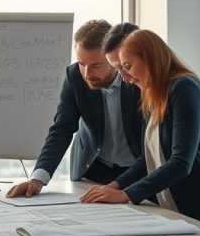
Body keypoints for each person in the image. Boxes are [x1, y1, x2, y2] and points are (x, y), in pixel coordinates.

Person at [80, 29, 200, 228]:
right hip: (174, 205)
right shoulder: (155, 94)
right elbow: (149, 157)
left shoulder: (184, 88)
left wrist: (126, 194)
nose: (125, 77)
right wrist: (114, 186)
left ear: (151, 57)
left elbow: (181, 162)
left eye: (127, 66)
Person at [7, 20, 143, 198]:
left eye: (95, 65)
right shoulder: (74, 77)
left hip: (138, 170)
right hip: (93, 169)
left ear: (114, 58)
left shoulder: (137, 79)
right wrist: (37, 179)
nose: (87, 74)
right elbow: (62, 129)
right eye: (81, 63)